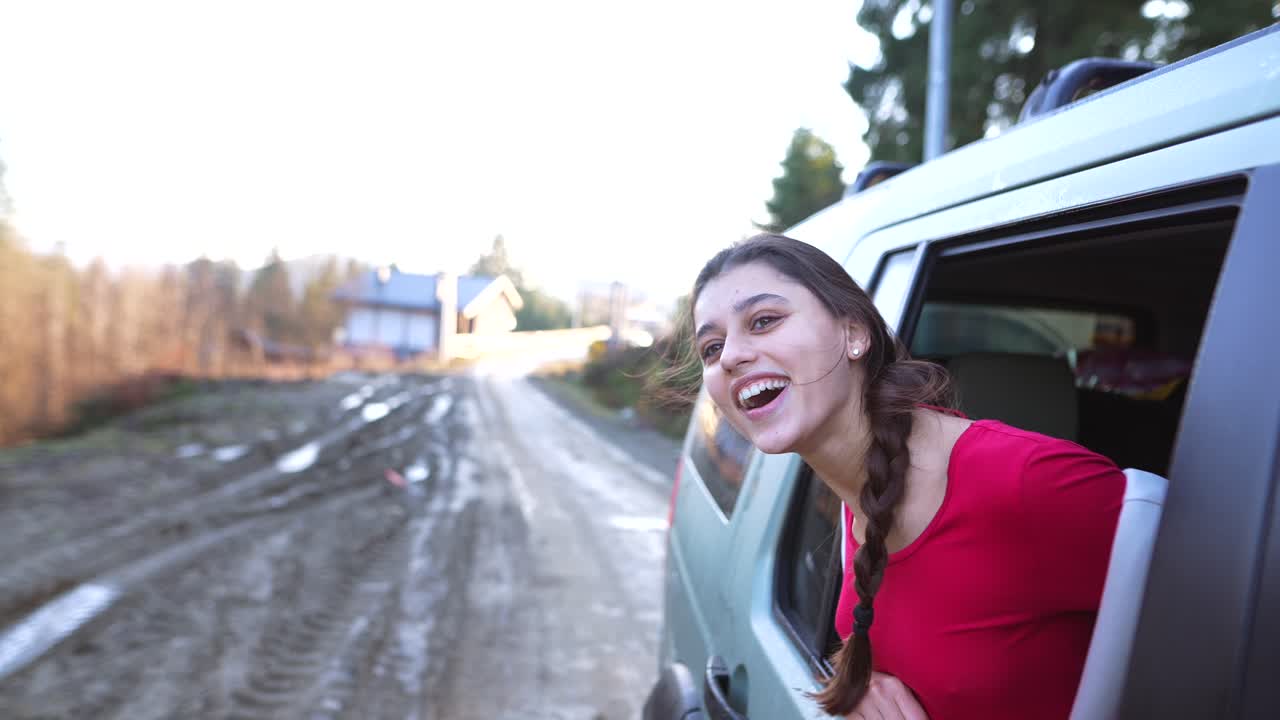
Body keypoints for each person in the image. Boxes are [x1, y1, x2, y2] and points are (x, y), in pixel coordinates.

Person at [687, 233, 1124, 719]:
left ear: (854, 334)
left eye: (764, 321)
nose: (729, 357)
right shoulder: (856, 495)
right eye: (711, 348)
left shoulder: (1028, 481)